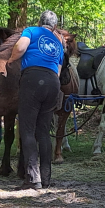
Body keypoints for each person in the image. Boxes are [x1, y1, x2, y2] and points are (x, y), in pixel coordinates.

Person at [8, 10, 65, 191]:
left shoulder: (31, 31)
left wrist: (10, 60)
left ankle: (33, 179)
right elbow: (58, 70)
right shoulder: (58, 41)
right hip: (53, 82)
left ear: (40, 22)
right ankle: (46, 178)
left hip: (33, 79)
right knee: (43, 132)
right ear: (54, 26)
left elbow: (20, 48)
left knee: (27, 130)